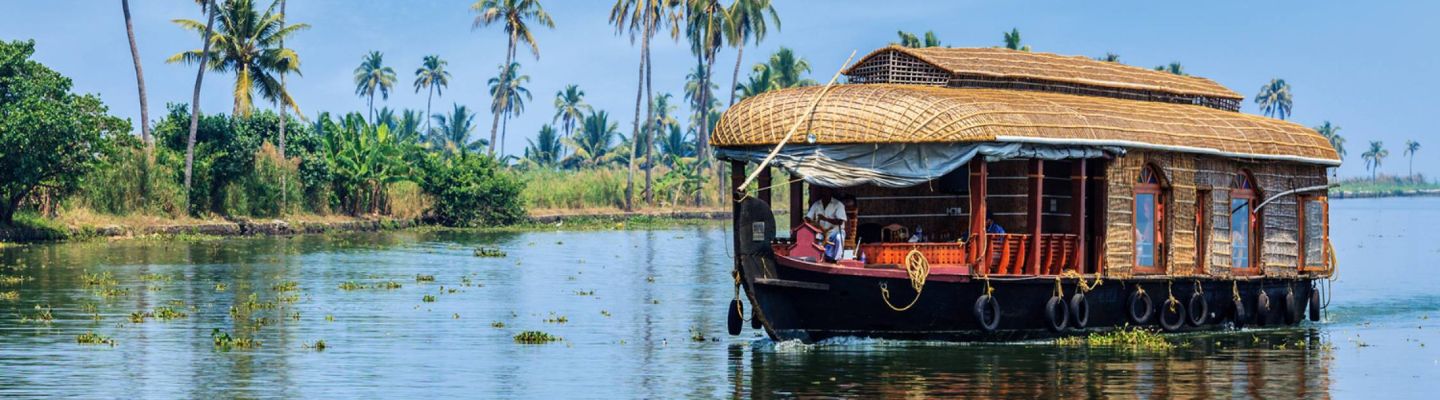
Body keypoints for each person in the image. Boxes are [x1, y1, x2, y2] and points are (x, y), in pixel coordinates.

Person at [805, 186, 847, 263]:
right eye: (823, 191)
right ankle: (816, 259)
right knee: (812, 238)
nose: (824, 193)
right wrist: (805, 222)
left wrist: (825, 219)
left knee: (839, 237)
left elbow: (840, 221)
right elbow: (808, 218)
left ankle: (837, 259)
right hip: (821, 233)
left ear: (831, 192)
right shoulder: (817, 204)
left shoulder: (838, 204)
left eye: (826, 190)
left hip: (835, 232)